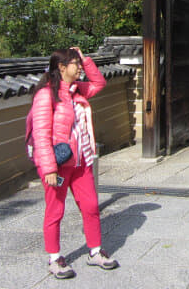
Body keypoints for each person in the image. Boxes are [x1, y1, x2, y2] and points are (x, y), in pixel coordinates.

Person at [30, 47, 119, 279]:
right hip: (57, 167)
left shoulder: (77, 90)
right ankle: (54, 258)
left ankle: (96, 252)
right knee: (55, 210)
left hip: (81, 163)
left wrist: (86, 59)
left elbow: (99, 83)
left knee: (90, 207)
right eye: (75, 64)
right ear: (61, 67)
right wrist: (48, 167)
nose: (79, 68)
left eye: (79, 64)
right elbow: (41, 134)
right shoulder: (46, 95)